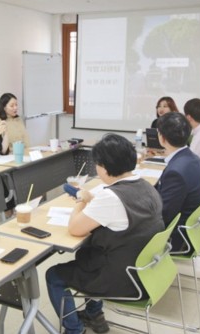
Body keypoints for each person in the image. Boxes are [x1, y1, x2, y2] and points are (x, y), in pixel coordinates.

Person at [46, 134, 164, 334]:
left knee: (54, 275)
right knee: (93, 254)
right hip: (145, 271)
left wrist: (82, 199)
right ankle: (94, 314)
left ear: (104, 166)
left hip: (122, 278)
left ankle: (74, 329)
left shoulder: (111, 197)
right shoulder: (146, 186)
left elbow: (74, 228)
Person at [155, 112, 200, 251]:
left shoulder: (175, 172)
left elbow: (164, 216)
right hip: (189, 230)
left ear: (162, 138)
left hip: (176, 238)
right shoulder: (193, 158)